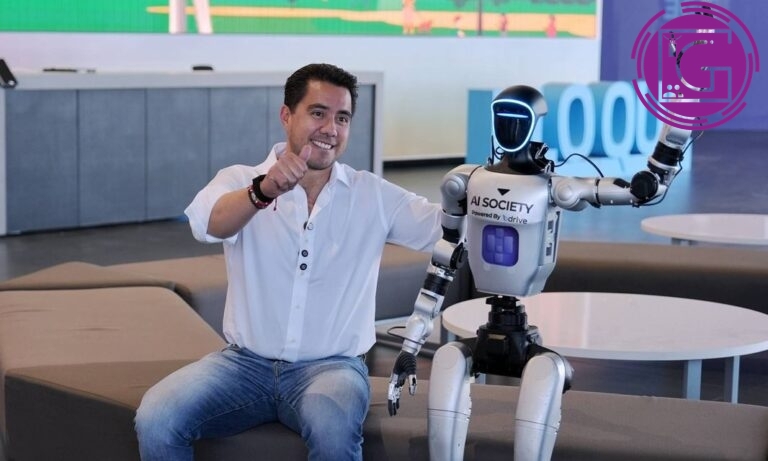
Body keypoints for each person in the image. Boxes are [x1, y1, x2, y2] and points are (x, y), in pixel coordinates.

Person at [134, 63, 442, 460]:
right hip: (244, 365)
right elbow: (208, 223)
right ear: (287, 115)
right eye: (318, 113)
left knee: (333, 430)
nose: (330, 128)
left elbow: (446, 227)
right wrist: (264, 191)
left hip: (332, 368)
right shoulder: (243, 178)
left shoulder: (372, 194)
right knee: (157, 418)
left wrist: (491, 189)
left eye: (342, 118)